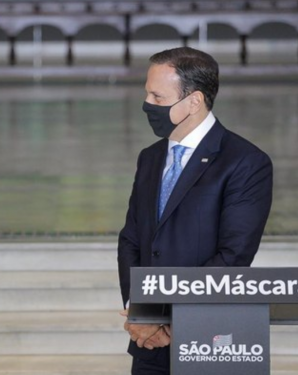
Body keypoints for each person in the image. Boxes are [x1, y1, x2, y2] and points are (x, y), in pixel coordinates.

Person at [117, 47, 273, 374]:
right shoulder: (150, 157)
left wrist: (167, 317)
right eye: (147, 94)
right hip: (148, 346)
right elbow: (131, 239)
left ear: (194, 101)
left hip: (207, 338)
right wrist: (142, 315)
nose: (148, 105)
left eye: (158, 98)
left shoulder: (245, 162)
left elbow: (233, 256)